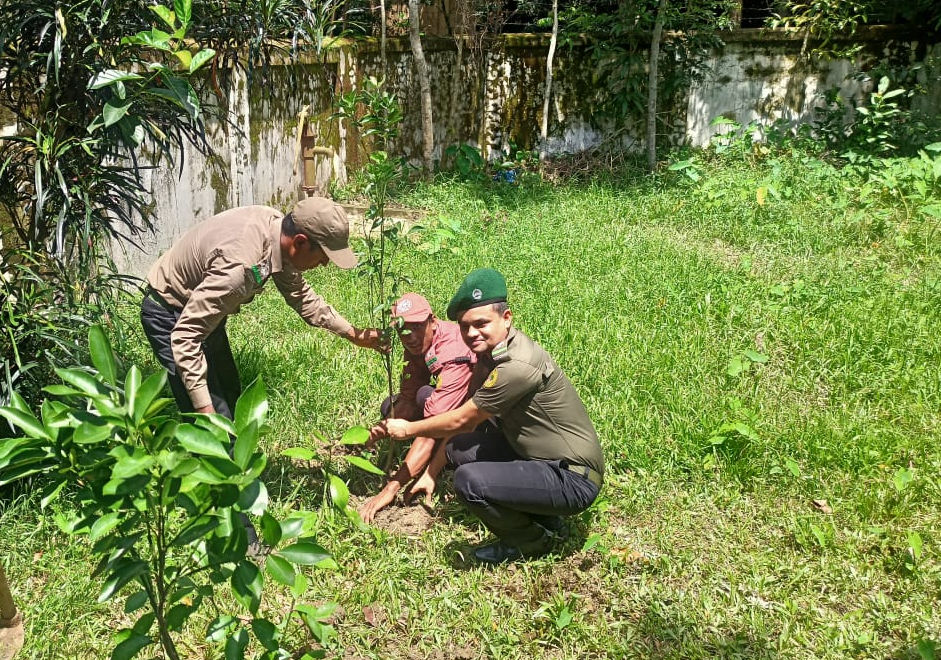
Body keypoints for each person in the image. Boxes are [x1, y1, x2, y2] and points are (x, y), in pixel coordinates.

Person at [381, 269, 604, 565]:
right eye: (465, 326)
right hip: (536, 456)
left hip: (572, 477)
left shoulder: (516, 365)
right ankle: (545, 518)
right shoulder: (493, 353)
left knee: (469, 482)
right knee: (457, 448)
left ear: (506, 318)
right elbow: (461, 417)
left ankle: (530, 541)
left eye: (481, 324)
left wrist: (407, 429)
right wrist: (431, 474)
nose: (472, 333)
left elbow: (463, 420)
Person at [141, 197, 383, 418]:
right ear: (300, 241)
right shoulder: (239, 268)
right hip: (170, 315)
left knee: (232, 396)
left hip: (206, 310)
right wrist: (207, 415)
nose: (325, 264)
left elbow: (300, 294)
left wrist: (352, 333)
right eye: (324, 255)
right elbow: (185, 337)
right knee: (214, 420)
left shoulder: (275, 229)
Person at [358, 293, 478, 524]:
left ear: (432, 321)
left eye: (417, 327)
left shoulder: (453, 353)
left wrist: (391, 488)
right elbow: (407, 400)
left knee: (426, 402)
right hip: (450, 404)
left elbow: (430, 429)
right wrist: (369, 435)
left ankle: (439, 460)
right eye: (403, 329)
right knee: (392, 406)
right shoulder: (417, 344)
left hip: (484, 419)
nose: (410, 336)